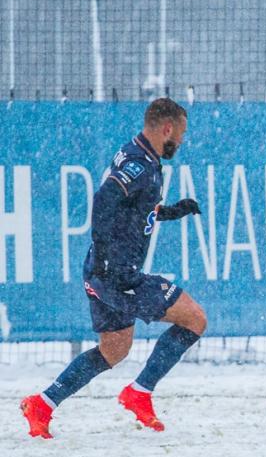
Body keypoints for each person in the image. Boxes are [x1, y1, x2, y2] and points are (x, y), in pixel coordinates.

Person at [21, 98, 207, 438]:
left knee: (114, 349)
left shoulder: (138, 154)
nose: (181, 141)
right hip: (117, 273)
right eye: (181, 134)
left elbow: (132, 208)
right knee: (195, 319)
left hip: (100, 271)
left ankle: (43, 404)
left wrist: (171, 211)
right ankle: (140, 392)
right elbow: (105, 199)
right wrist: (107, 255)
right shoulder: (138, 163)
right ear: (167, 128)